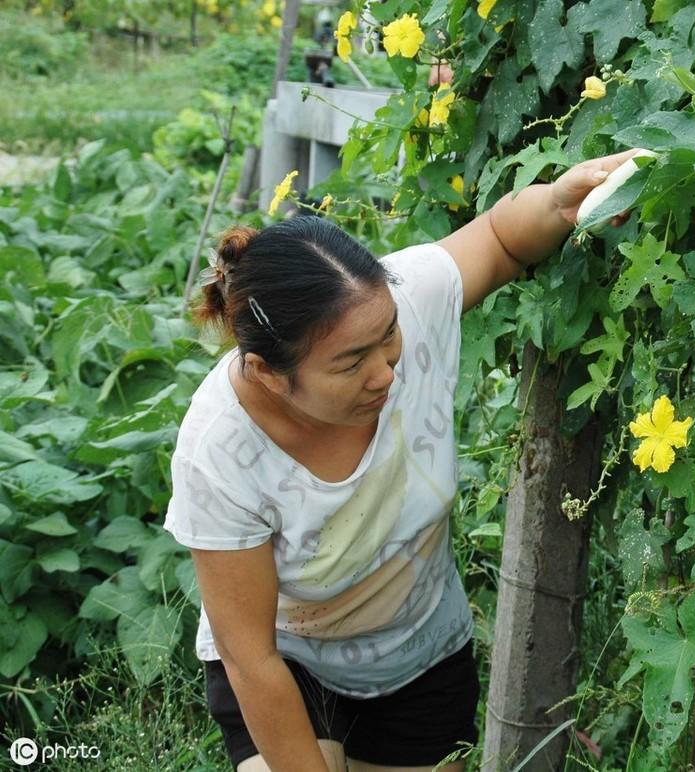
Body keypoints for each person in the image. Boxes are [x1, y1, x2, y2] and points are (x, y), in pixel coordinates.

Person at [163, 148, 640, 772]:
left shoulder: (396, 304)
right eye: (351, 361)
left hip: (420, 652)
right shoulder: (219, 452)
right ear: (267, 374)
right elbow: (250, 658)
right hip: (289, 658)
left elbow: (499, 237)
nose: (387, 370)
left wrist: (561, 202)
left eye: (388, 337)